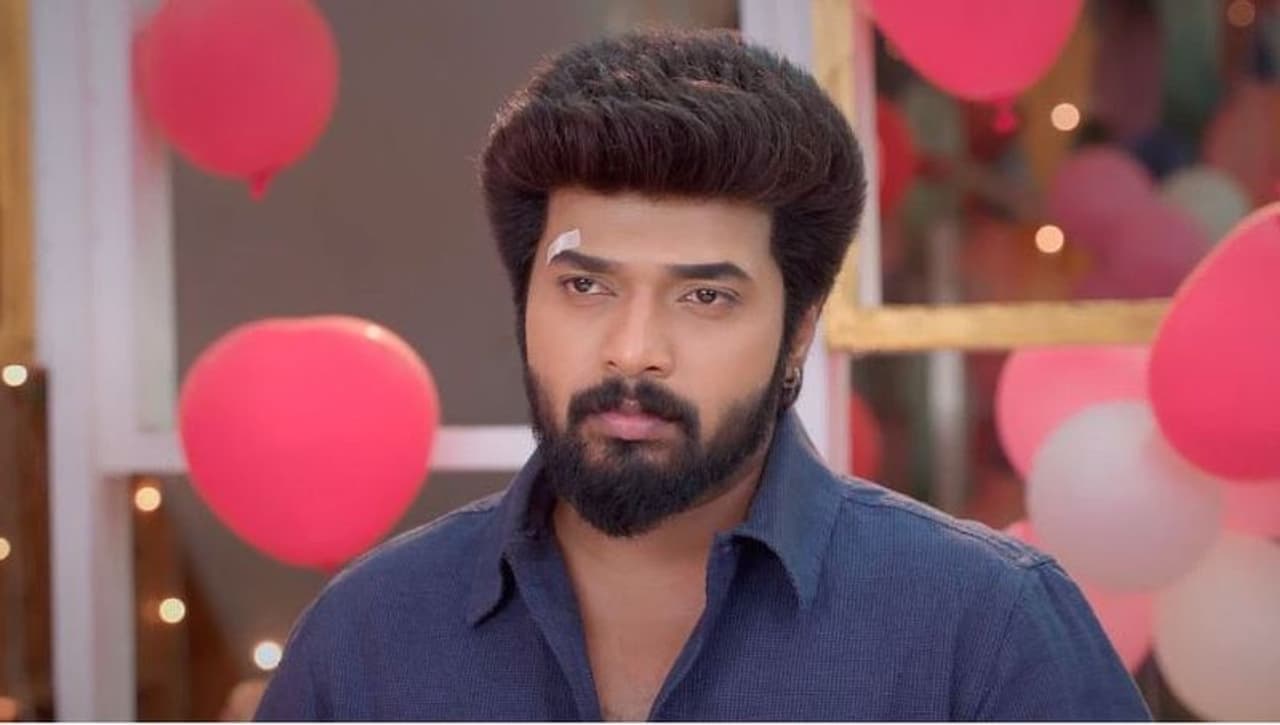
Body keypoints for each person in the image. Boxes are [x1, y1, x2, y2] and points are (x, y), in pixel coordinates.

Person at [256, 29, 1152, 721]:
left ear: (799, 332)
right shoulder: (366, 639)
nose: (633, 349)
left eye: (706, 298)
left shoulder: (985, 630)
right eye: (585, 285)